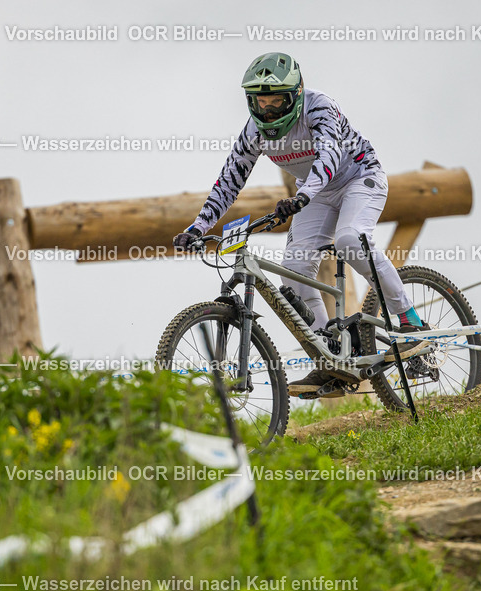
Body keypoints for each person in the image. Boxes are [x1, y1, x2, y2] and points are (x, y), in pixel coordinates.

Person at [174, 52, 428, 394]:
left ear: (294, 95)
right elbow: (230, 180)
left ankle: (410, 321)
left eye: (275, 101)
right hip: (315, 193)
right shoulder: (254, 132)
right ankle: (331, 357)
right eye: (260, 102)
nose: (267, 110)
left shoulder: (319, 106)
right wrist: (198, 227)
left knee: (350, 240)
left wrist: (303, 195)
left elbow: (329, 155)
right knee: (293, 273)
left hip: (358, 178)